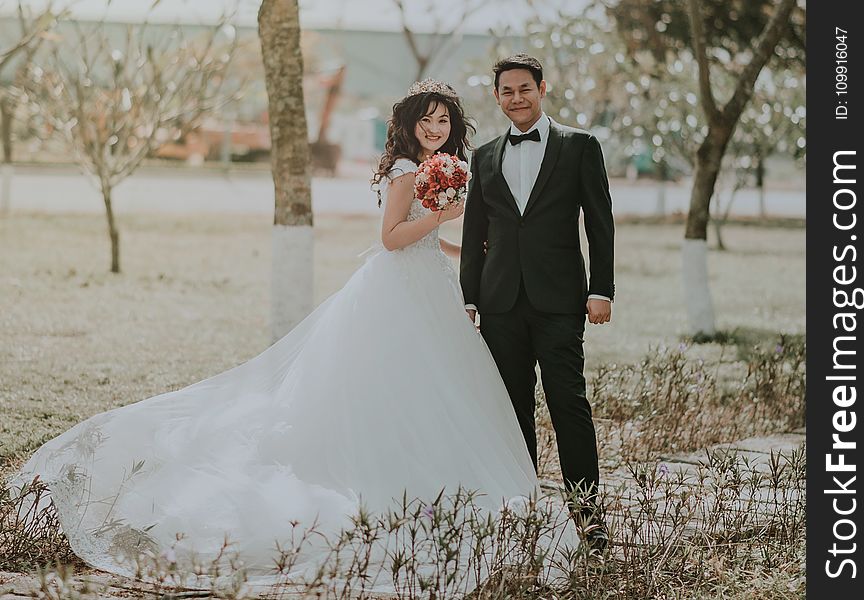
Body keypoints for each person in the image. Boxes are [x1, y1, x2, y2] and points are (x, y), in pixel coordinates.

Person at [9, 78, 578, 595]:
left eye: (444, 121)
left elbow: (424, 242)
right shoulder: (407, 171)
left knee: (429, 390)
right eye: (425, 120)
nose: (435, 129)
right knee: (399, 386)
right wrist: (443, 217)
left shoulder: (428, 169)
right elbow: (393, 238)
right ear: (406, 126)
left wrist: (467, 247)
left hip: (426, 284)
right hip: (399, 291)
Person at [460, 54, 615, 546]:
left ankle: (588, 519)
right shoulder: (482, 156)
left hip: (560, 300)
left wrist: (601, 289)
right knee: (512, 410)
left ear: (542, 90)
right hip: (500, 301)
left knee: (569, 404)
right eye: (507, 91)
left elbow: (599, 222)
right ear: (497, 96)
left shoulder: (580, 146)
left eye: (525, 88)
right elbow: (474, 233)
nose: (516, 98)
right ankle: (523, 515)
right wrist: (469, 298)